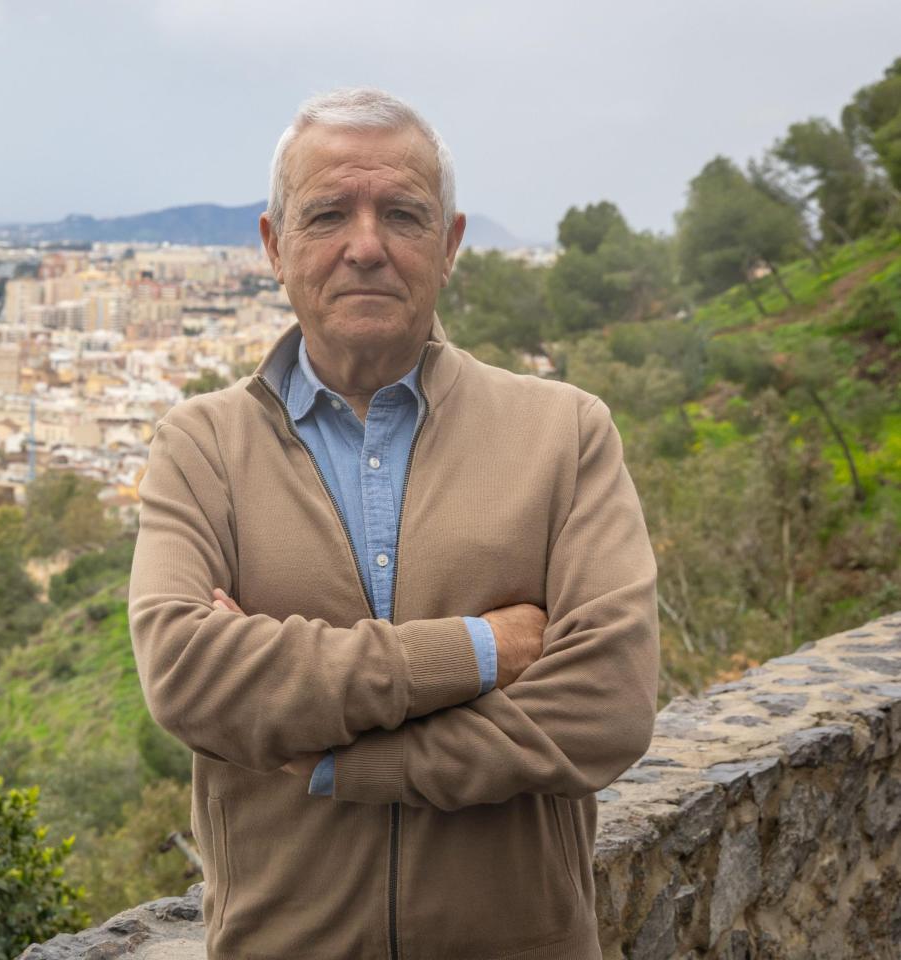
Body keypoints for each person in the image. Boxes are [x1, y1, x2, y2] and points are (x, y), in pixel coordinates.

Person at [127, 87, 659, 960]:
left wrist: (353, 763)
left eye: (403, 215)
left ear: (449, 246)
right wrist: (482, 652)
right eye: (328, 213)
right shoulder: (203, 446)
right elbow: (187, 672)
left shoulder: (562, 433)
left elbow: (608, 705)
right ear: (275, 245)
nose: (366, 246)